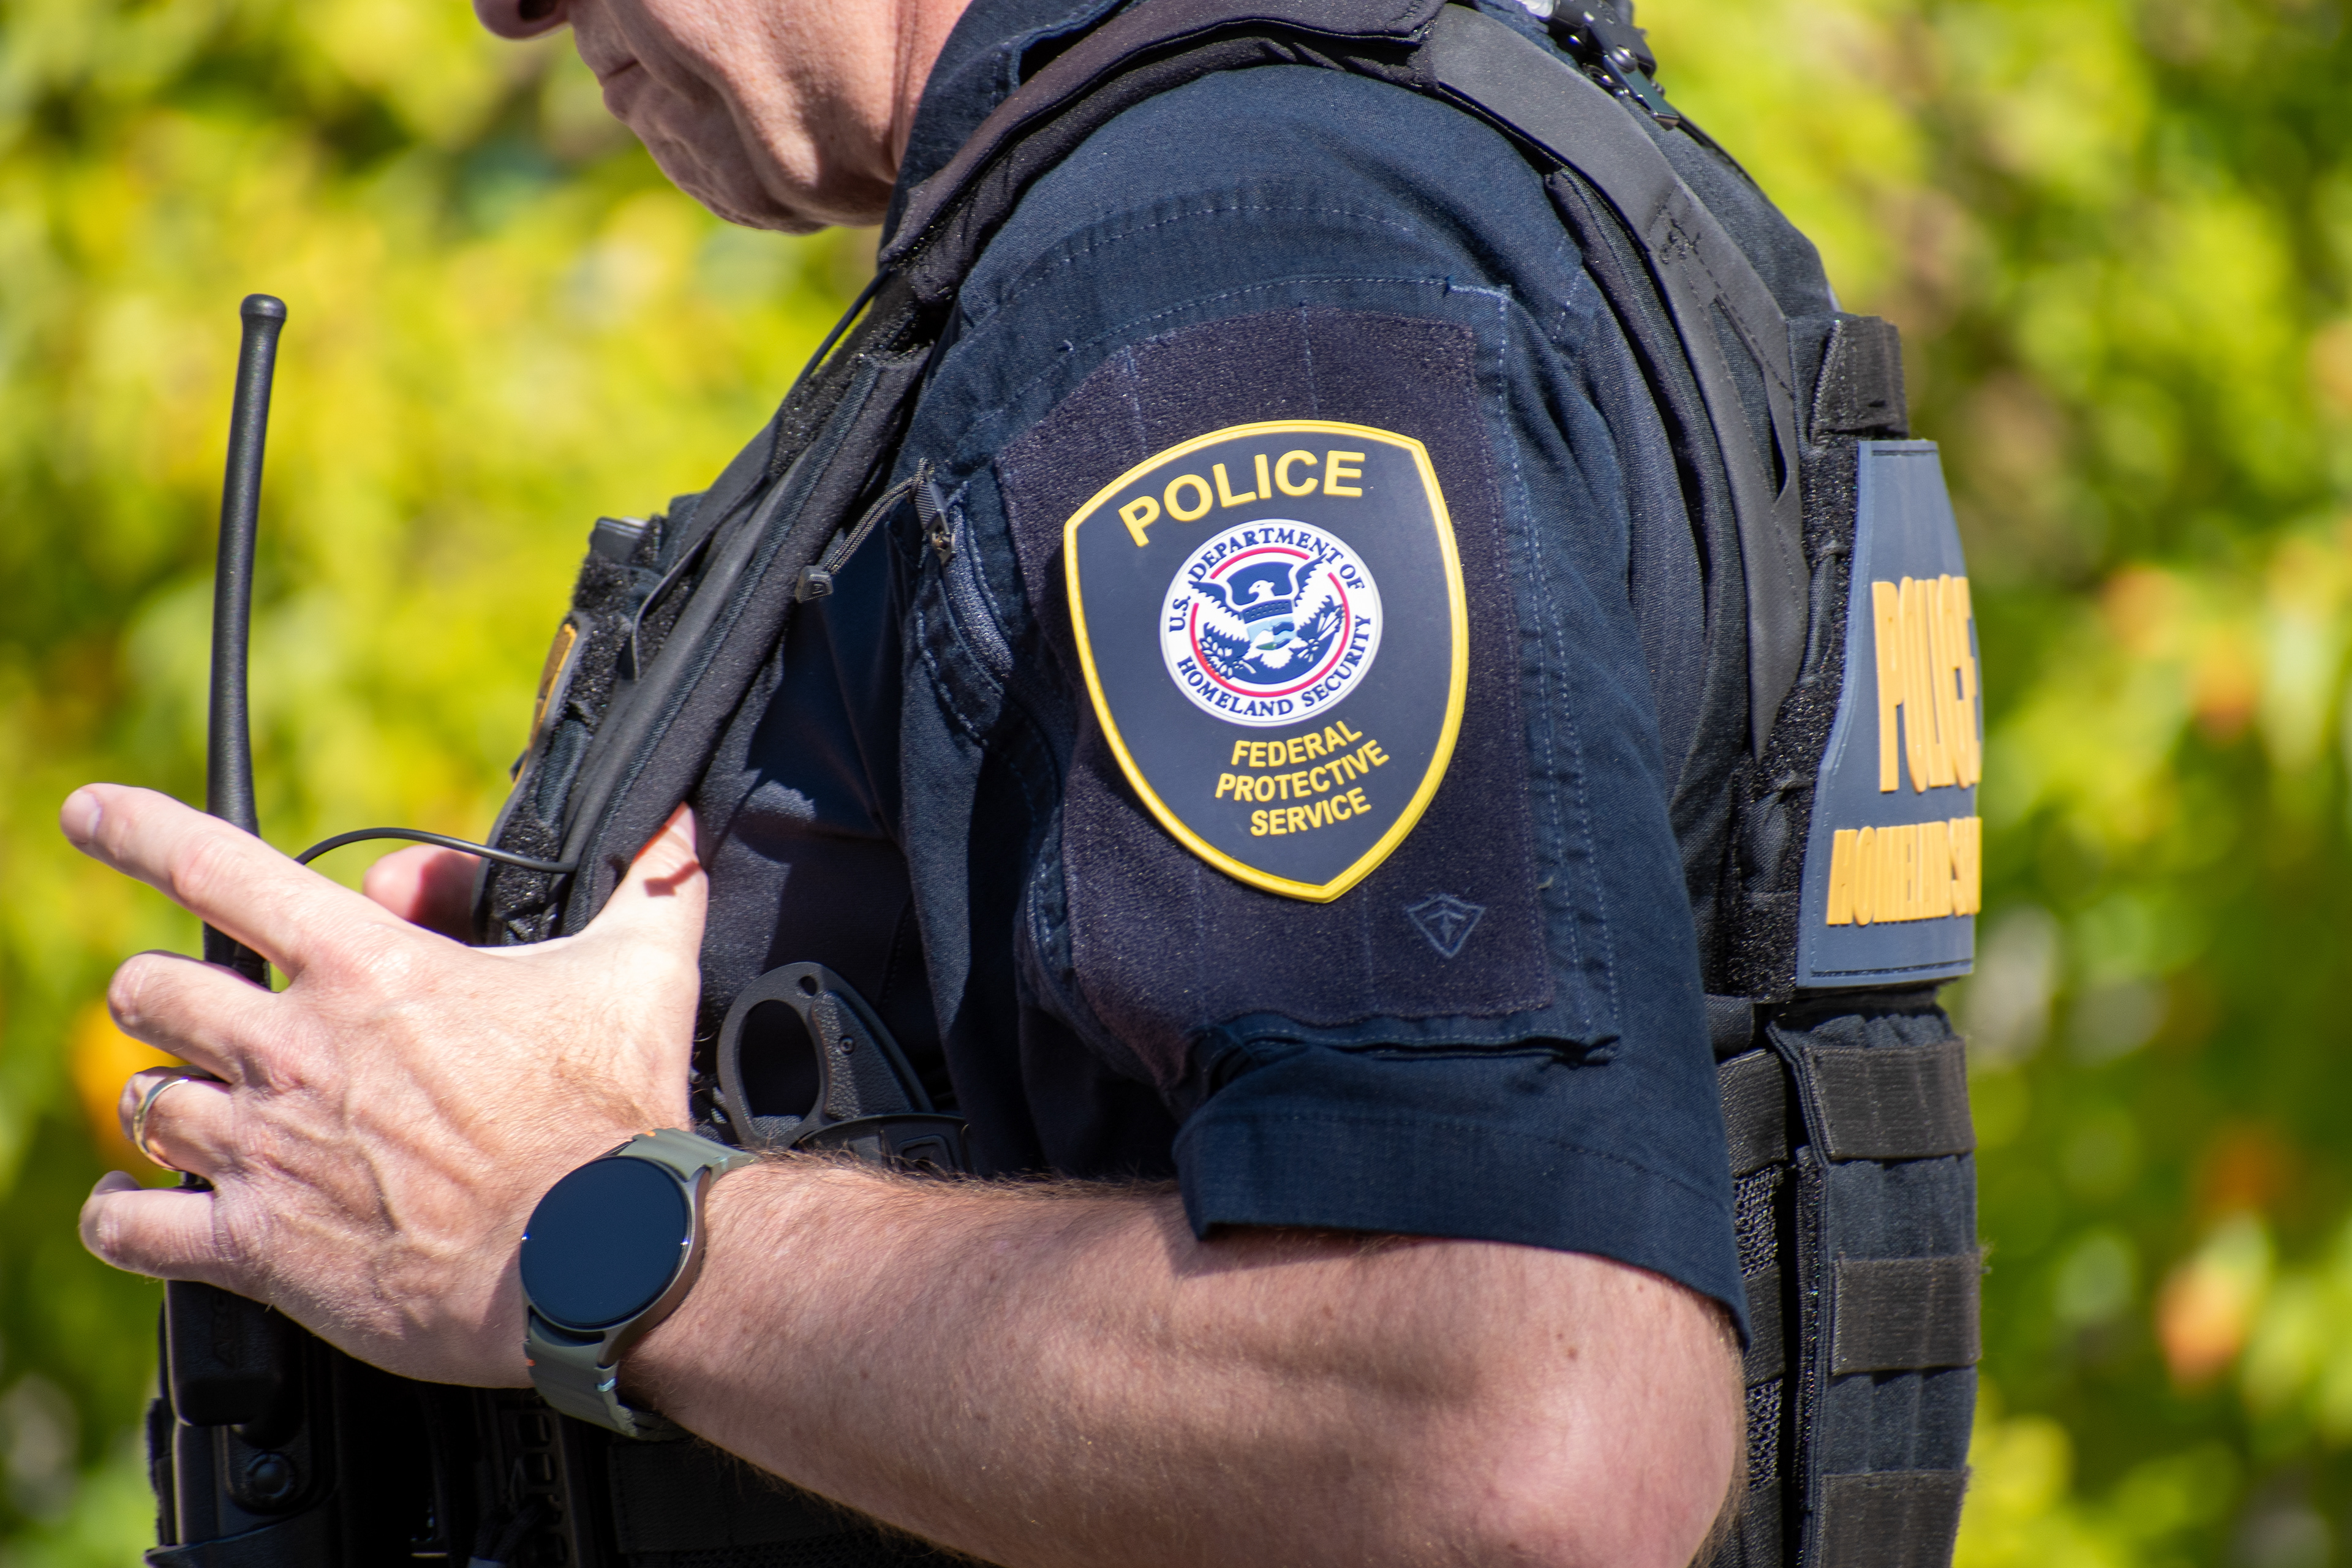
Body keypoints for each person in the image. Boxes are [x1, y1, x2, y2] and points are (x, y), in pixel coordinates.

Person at [63, 0, 1909, 1562]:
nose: (508, 14)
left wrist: (590, 1219)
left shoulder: (1237, 257)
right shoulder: (1352, 168)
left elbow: (1523, 1434)